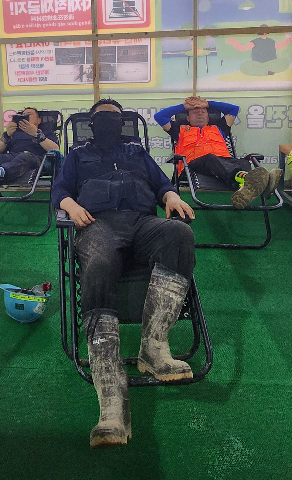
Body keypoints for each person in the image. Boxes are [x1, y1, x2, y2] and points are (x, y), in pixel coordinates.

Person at [51, 98, 197, 449]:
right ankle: (111, 401)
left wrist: (171, 196)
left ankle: (154, 348)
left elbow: (161, 183)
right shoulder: (77, 155)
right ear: (91, 124)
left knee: (179, 233)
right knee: (99, 263)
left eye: (115, 116)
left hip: (143, 223)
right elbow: (60, 190)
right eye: (102, 117)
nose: (109, 121)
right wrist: (71, 205)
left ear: (124, 122)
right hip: (98, 224)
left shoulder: (137, 152)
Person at [153, 95, 281, 208]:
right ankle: (254, 181)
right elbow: (159, 116)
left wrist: (207, 103)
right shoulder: (180, 130)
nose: (200, 113)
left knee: (243, 162)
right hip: (193, 165)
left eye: (203, 111)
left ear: (208, 116)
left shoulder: (219, 128)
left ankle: (245, 188)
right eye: (195, 112)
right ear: (187, 118)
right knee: (210, 158)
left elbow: (234, 109)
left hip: (223, 164)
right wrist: (185, 106)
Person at [0, 107, 60, 197]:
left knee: (24, 157)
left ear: (39, 120)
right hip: (13, 156)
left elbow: (55, 149)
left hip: (35, 158)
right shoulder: (15, 133)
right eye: (23, 115)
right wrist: (7, 134)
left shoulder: (46, 132)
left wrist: (36, 134)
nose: (25, 116)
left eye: (29, 114)